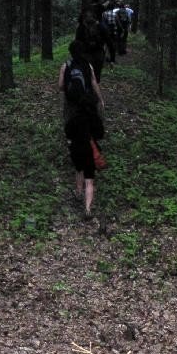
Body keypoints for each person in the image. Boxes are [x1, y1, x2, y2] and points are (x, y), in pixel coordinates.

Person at [58, 40, 106, 220]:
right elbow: (93, 83)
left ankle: (78, 190)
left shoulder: (66, 65)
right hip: (87, 106)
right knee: (88, 136)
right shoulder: (88, 66)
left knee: (74, 136)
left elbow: (61, 86)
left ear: (70, 52)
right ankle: (87, 206)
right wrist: (100, 100)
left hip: (72, 107)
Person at [75, 9, 113, 83]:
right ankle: (94, 90)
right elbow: (109, 42)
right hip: (98, 54)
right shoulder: (101, 27)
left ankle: (87, 91)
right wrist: (112, 59)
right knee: (96, 76)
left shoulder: (81, 27)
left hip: (85, 54)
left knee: (85, 75)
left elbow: (76, 43)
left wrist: (76, 57)